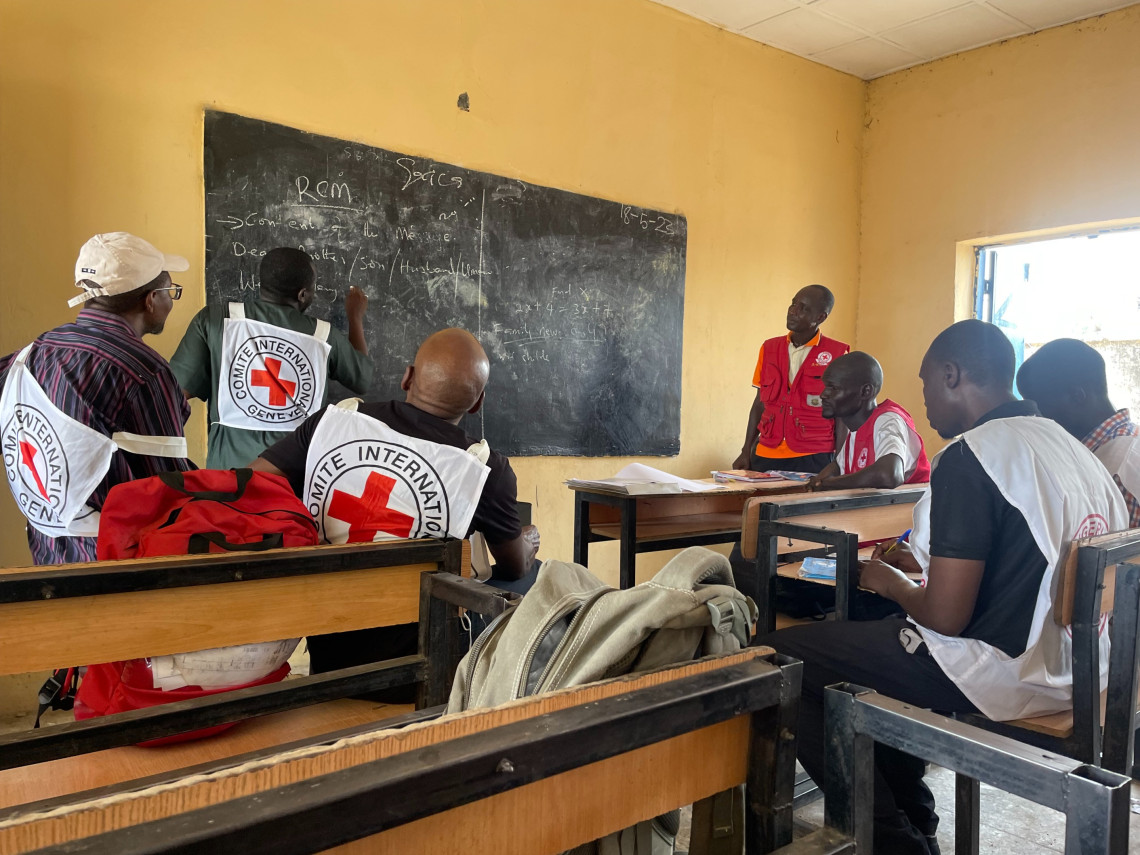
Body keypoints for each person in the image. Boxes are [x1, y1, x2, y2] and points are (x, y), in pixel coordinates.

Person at [762, 319, 1126, 855]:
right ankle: (915, 818)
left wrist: (890, 582)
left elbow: (946, 617)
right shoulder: (1075, 450)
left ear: (952, 375)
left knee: (782, 658)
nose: (925, 402)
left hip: (1003, 672)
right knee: (866, 658)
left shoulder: (972, 454)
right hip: (1085, 666)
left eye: (928, 383)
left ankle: (891, 843)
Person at [251, 327, 539, 694]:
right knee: (529, 575)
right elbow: (514, 566)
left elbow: (251, 485)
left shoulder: (332, 424)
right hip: (419, 662)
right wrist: (528, 541)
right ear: (478, 402)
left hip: (328, 641)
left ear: (407, 377)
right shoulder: (484, 469)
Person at [0, 232, 195, 565]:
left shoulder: (35, 352)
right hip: (115, 559)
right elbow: (170, 486)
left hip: (48, 548)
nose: (171, 301)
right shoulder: (145, 371)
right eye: (170, 291)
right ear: (149, 300)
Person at [171, 247, 373, 470]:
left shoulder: (216, 320)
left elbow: (176, 394)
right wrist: (355, 317)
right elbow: (362, 380)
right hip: (294, 479)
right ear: (302, 294)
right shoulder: (324, 336)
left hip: (227, 478)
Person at [1016, 338, 1140, 527]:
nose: (1038, 418)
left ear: (1076, 396)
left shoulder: (1122, 466)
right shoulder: (1097, 450)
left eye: (1040, 407)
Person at [733, 285, 849, 474]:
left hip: (814, 455)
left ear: (820, 317)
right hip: (767, 452)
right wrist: (746, 450)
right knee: (761, 504)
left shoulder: (837, 354)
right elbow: (759, 403)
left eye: (803, 308)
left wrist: (839, 461)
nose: (793, 311)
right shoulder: (769, 348)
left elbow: (842, 414)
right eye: (793, 304)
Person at [807, 351, 929, 491]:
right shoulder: (855, 428)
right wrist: (818, 483)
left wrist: (828, 484)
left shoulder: (887, 420)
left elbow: (889, 475)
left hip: (911, 510)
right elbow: (837, 468)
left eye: (833, 388)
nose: (823, 395)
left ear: (866, 392)